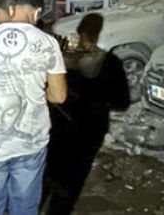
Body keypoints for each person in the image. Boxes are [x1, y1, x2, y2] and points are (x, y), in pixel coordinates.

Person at [0, 0, 67, 215]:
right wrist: (32, 92)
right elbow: (59, 96)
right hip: (31, 139)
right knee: (25, 205)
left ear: (12, 9)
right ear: (37, 12)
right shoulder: (48, 43)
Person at [43, 13, 130, 215]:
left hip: (60, 130)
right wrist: (99, 103)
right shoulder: (111, 64)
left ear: (79, 32)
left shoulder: (67, 60)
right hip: (89, 133)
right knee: (71, 184)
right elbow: (122, 102)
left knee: (47, 178)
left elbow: (49, 92)